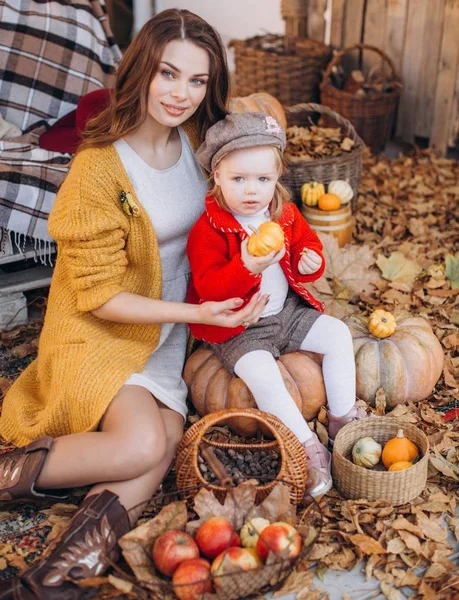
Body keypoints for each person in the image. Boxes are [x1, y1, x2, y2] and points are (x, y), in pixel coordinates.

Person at [0, 10, 269, 599]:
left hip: (170, 337)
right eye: (168, 74)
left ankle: (54, 579)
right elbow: (97, 298)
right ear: (141, 70)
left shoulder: (201, 145)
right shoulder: (98, 169)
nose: (181, 94)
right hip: (102, 332)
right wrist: (196, 314)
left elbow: (250, 191)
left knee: (162, 449)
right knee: (146, 444)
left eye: (197, 81)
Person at [186, 112, 368, 499]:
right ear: (216, 175)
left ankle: (342, 418)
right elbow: (210, 287)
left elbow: (308, 245)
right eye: (239, 179)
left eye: (263, 179)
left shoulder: (282, 213)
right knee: (261, 373)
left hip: (286, 313)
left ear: (276, 178)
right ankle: (304, 445)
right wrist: (246, 266)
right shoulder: (209, 229)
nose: (252, 190)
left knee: (337, 334)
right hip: (240, 327)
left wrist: (311, 262)